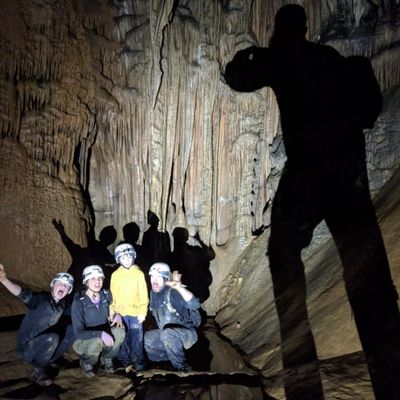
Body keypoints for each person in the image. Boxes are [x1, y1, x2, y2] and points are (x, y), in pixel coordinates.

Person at [225, 4, 400, 400]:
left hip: (309, 174)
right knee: (368, 271)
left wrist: (248, 55)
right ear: (306, 27)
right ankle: (392, 374)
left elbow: (237, 77)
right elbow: (366, 112)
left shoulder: (283, 57)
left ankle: (301, 373)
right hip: (350, 174)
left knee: (283, 253)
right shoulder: (330, 58)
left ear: (282, 29)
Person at [0, 263, 74, 386]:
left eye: (66, 286)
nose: (63, 286)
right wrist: (4, 280)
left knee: (73, 329)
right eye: (60, 283)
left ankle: (51, 359)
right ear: (52, 285)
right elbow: (23, 294)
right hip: (26, 349)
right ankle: (38, 371)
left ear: (68, 291)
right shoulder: (41, 299)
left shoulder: (61, 304)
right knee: (52, 338)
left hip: (42, 344)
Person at [144, 262, 201, 373]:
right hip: (169, 334)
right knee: (148, 337)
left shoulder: (173, 293)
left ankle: (182, 368)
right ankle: (164, 365)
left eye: (159, 277)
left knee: (167, 334)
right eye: (152, 276)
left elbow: (195, 305)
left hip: (187, 334)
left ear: (166, 279)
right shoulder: (154, 295)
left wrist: (179, 288)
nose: (154, 280)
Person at [71, 265, 125, 377]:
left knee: (120, 332)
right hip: (85, 340)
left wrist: (117, 315)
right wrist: (100, 334)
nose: (97, 281)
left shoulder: (106, 295)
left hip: (104, 334)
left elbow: (114, 309)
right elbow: (78, 332)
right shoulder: (78, 302)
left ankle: (107, 358)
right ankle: (87, 362)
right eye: (93, 278)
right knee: (97, 341)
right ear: (86, 281)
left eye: (100, 278)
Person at [109, 243, 148, 373]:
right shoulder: (115, 275)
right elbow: (112, 295)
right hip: (121, 314)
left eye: (129, 257)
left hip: (136, 313)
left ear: (133, 256)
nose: (127, 260)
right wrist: (112, 311)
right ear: (118, 259)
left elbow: (143, 294)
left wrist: (143, 311)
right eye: (123, 257)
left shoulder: (139, 274)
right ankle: (126, 362)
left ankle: (138, 362)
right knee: (124, 338)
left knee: (137, 337)